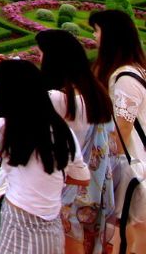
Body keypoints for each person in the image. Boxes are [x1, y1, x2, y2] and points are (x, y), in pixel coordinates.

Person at [0, 54, 89, 253]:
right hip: (51, 222)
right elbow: (82, 178)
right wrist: (47, 178)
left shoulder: (9, 128)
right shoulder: (62, 131)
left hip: (18, 215)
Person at [37, 28, 116, 254]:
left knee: (69, 245)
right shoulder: (96, 94)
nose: (39, 58)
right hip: (93, 187)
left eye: (41, 53)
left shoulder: (58, 99)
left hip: (65, 187)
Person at [91, 9, 146, 253]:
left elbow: (122, 127)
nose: (94, 37)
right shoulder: (134, 70)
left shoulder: (124, 77)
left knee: (133, 232)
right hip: (134, 161)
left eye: (97, 31)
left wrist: (99, 161)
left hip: (131, 164)